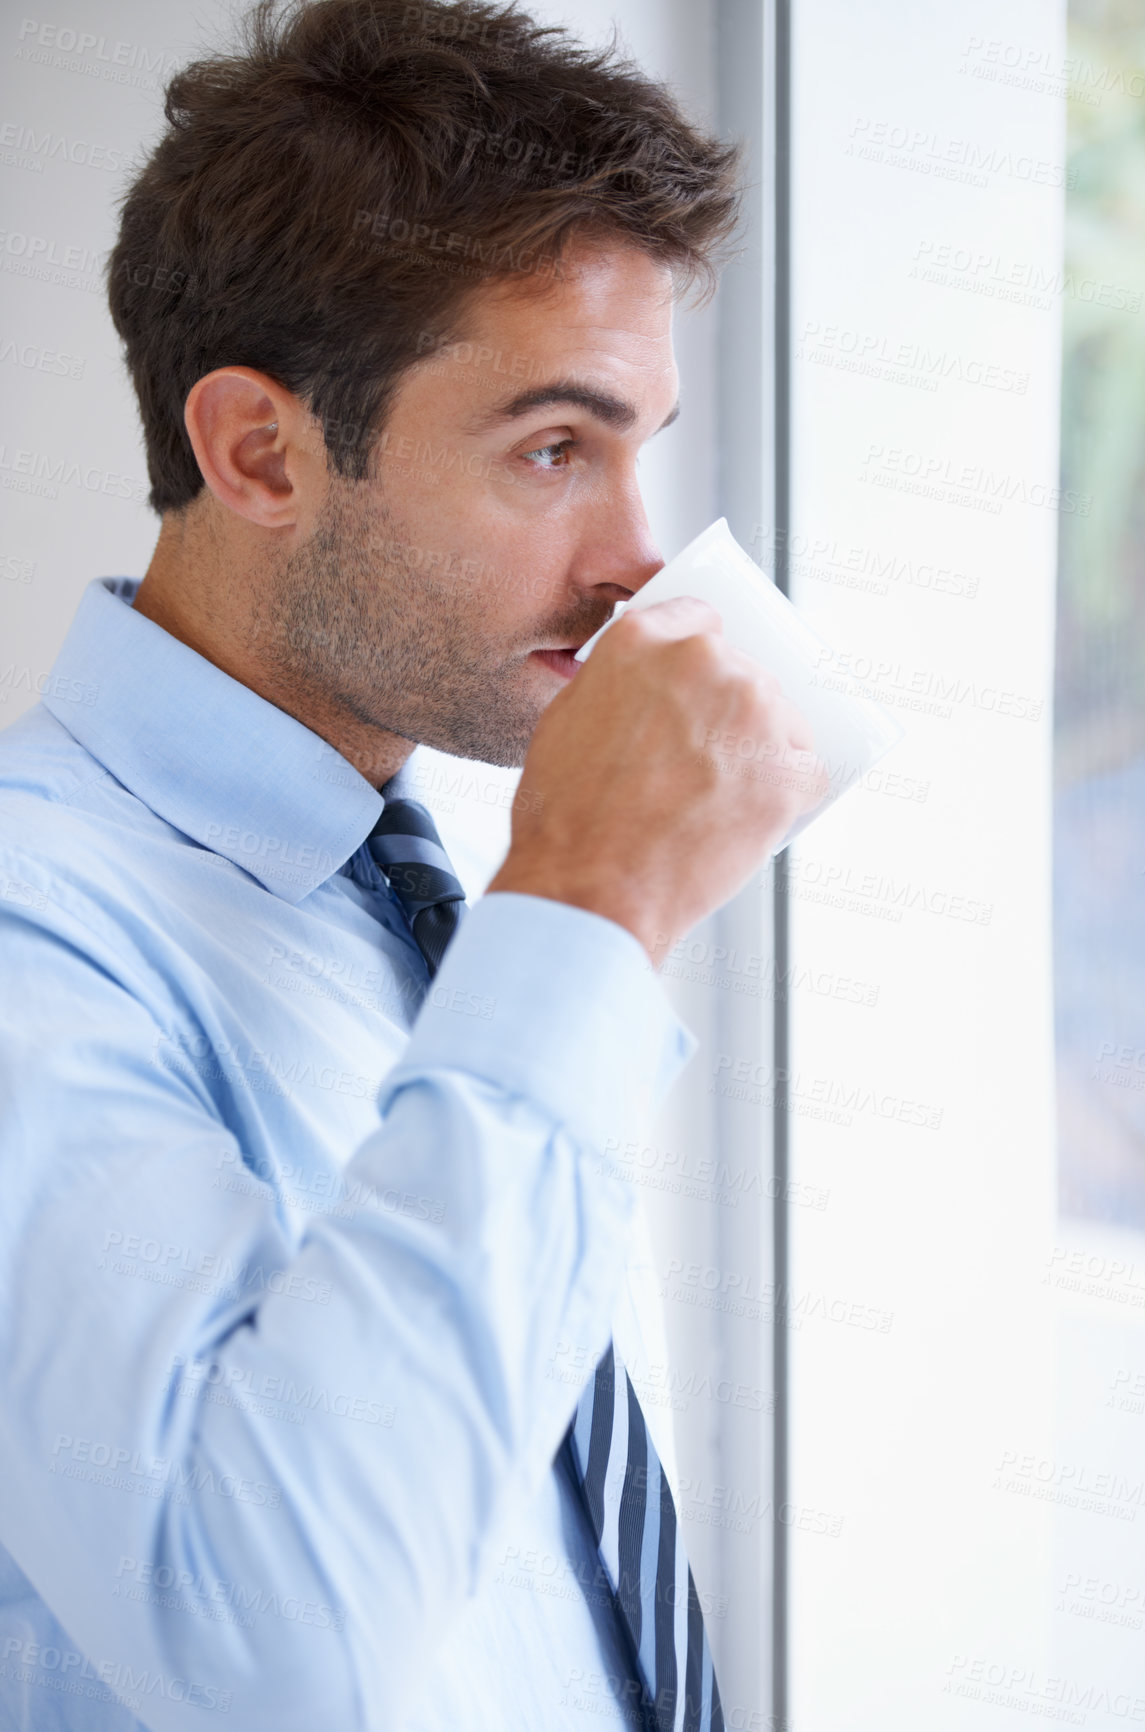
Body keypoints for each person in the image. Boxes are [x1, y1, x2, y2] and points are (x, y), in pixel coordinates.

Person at [0, 2, 823, 1727]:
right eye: (550, 447)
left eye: (635, 446)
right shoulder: (39, 933)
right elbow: (266, 1647)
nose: (636, 558)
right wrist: (590, 906)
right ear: (261, 453)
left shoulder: (445, 913)